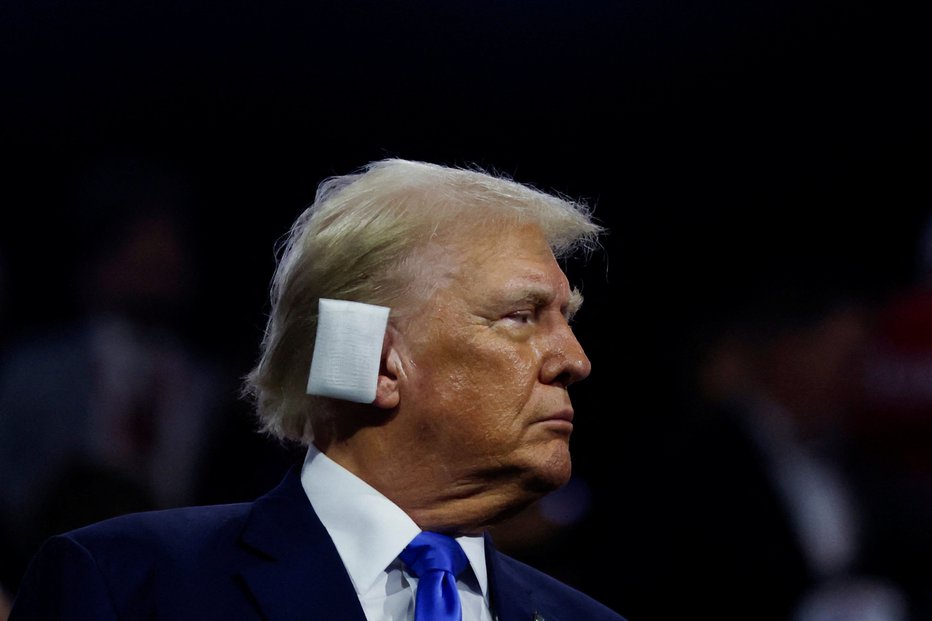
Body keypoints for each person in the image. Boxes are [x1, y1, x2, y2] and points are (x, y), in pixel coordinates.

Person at [10, 158, 627, 620]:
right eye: (522, 316)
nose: (575, 360)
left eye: (566, 321)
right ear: (384, 363)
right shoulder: (127, 588)